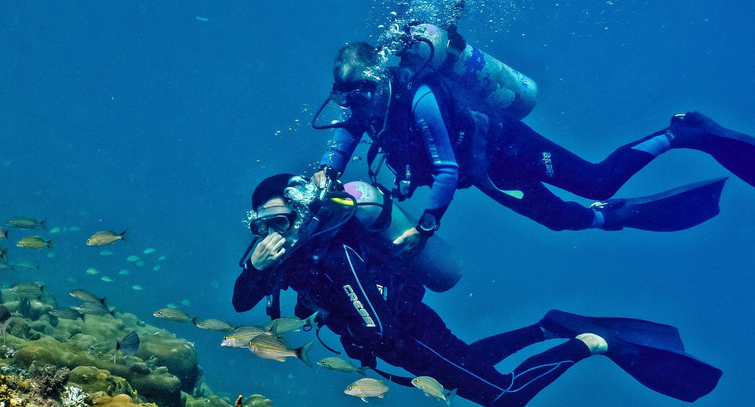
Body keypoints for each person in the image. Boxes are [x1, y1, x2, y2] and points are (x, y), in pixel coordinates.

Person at [233, 174, 721, 407]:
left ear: (300, 216)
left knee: (505, 396)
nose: (273, 234)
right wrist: (256, 268)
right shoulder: (279, 256)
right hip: (411, 335)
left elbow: (377, 327)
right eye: (263, 226)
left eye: (280, 222)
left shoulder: (332, 254)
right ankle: (546, 325)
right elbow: (240, 302)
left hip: (407, 335)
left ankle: (593, 343)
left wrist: (361, 345)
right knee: (470, 363)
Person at [309, 34, 755, 251]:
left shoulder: (419, 97)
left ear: (377, 80)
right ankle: (614, 219)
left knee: (598, 180)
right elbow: (343, 139)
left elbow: (444, 168)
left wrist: (425, 227)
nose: (355, 106)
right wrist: (327, 171)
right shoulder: (363, 106)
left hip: (507, 145)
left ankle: (682, 133)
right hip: (484, 170)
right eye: (347, 98)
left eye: (361, 94)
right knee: (556, 219)